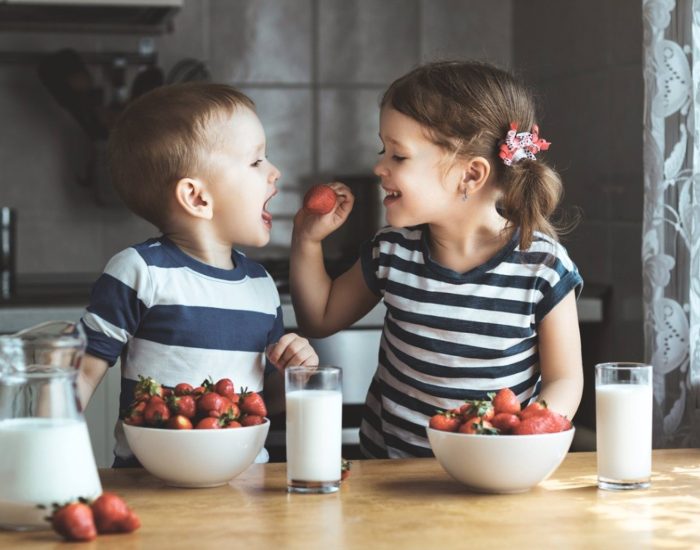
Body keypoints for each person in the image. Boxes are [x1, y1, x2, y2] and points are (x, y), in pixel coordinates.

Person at [290, 60, 583, 458]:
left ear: (471, 175)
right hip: (389, 479)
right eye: (383, 150)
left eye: (399, 155)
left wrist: (526, 439)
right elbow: (318, 318)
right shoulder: (392, 251)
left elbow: (566, 380)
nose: (379, 167)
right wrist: (307, 241)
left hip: (489, 475)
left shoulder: (542, 268)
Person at [78, 82, 318, 466]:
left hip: (245, 489)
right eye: (256, 161)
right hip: (151, 490)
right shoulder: (140, 272)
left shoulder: (261, 286)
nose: (275, 173)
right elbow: (82, 375)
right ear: (197, 198)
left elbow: (262, 403)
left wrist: (297, 378)